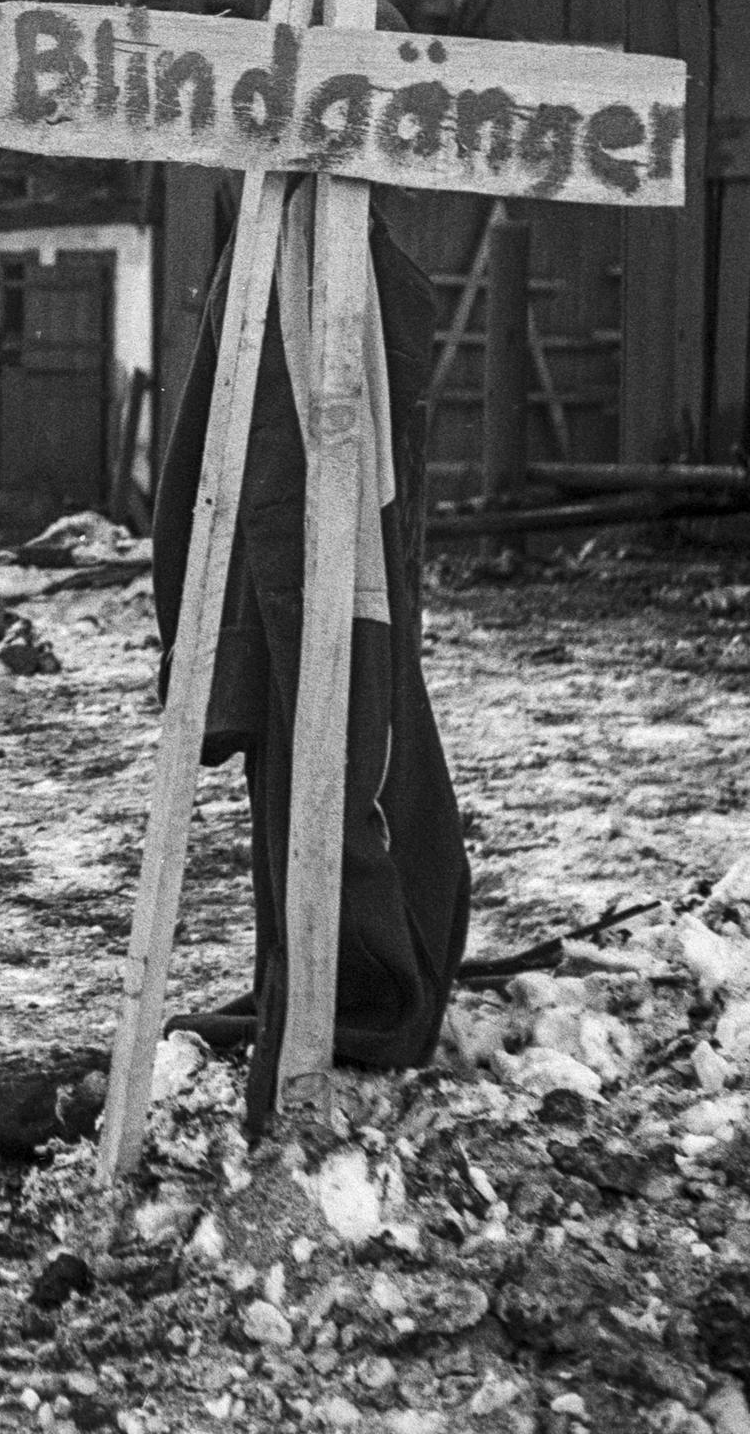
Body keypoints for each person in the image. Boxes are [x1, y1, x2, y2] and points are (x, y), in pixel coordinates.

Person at [152, 161, 471, 1131]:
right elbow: (219, 486)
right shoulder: (268, 281)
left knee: (359, 785)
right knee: (326, 781)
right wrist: (222, 653)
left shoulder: (348, 275)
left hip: (357, 586)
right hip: (305, 591)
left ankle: (347, 987)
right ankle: (333, 998)